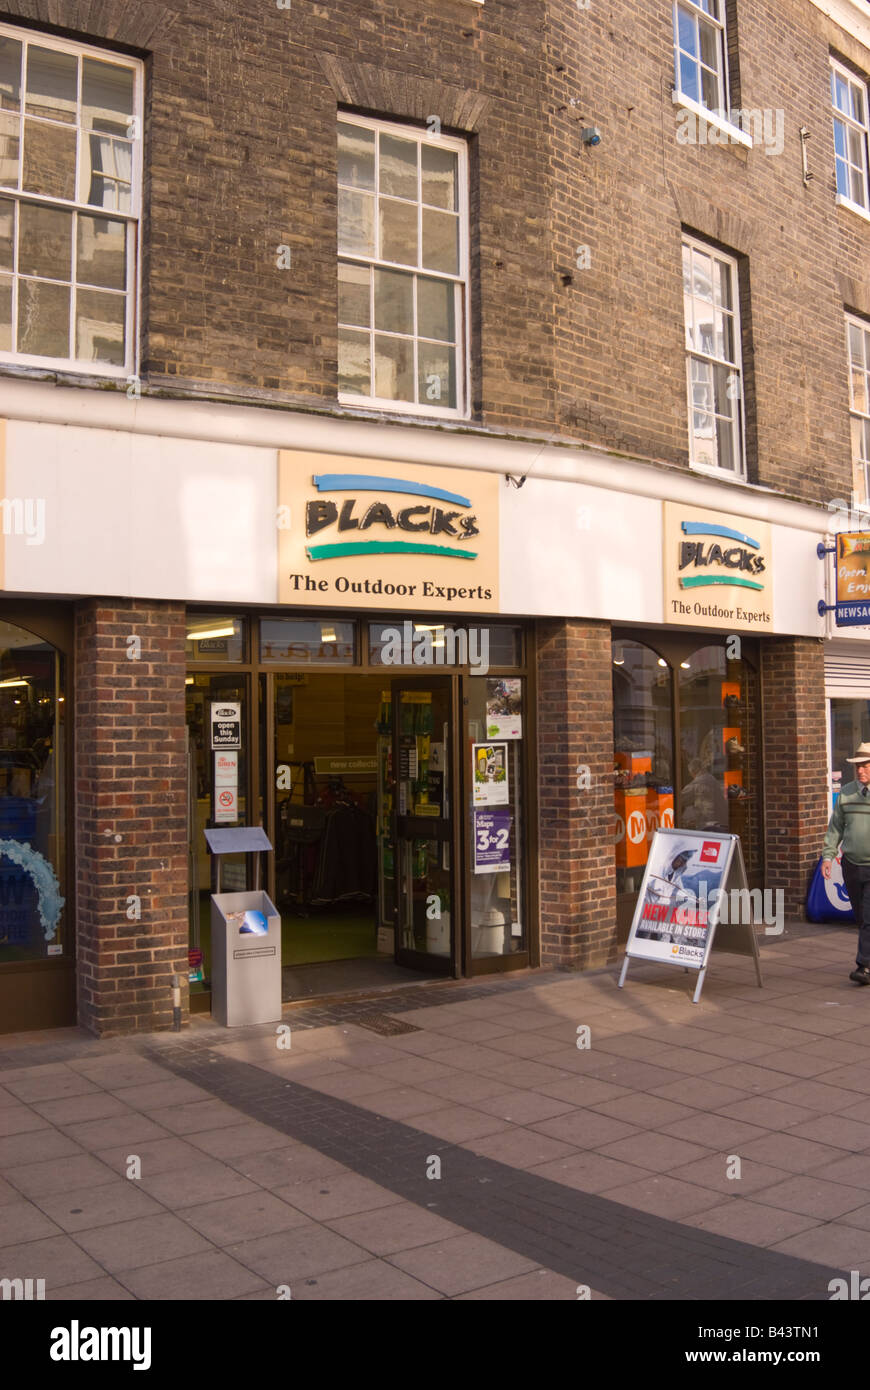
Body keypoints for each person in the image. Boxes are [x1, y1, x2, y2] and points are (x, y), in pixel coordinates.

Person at [822, 740, 870, 984]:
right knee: (861, 918)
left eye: (865, 765)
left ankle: (864, 967)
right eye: (858, 766)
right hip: (851, 865)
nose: (860, 770)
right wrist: (828, 856)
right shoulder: (847, 794)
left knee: (869, 918)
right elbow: (835, 828)